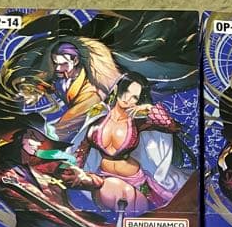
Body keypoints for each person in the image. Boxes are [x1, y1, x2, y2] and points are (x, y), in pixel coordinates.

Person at [74, 72, 189, 214]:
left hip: (135, 181)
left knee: (146, 213)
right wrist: (77, 170)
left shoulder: (138, 122)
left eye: (134, 97)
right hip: (104, 175)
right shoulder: (99, 116)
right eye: (126, 91)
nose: (128, 99)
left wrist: (150, 109)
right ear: (117, 89)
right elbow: (83, 148)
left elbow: (173, 127)